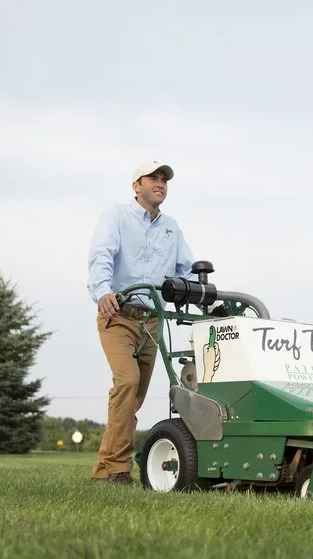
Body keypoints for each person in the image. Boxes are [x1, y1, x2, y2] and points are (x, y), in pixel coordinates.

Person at [86, 160, 195, 483]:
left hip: (152, 322)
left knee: (133, 396)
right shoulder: (116, 216)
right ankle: (118, 468)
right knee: (127, 382)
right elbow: (101, 255)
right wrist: (103, 291)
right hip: (118, 314)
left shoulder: (171, 227)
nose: (160, 184)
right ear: (137, 185)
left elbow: (185, 270)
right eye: (153, 179)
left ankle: (104, 469)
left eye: (164, 180)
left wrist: (199, 293)